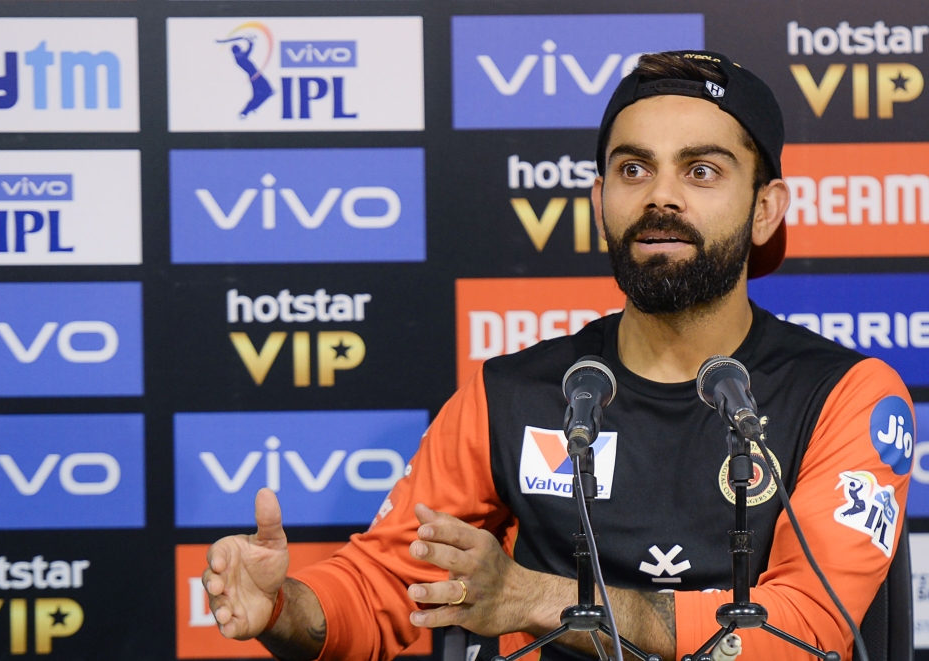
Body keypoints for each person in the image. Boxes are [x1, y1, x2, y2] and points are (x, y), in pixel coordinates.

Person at [202, 51, 913, 661]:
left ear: (765, 209)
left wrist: (537, 598)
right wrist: (283, 606)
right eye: (633, 169)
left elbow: (805, 631)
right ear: (600, 200)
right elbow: (383, 586)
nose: (661, 196)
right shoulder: (512, 393)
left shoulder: (846, 394)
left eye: (701, 170)